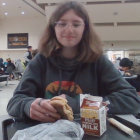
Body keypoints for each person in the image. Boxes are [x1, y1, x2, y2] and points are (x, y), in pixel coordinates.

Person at [7, 1, 140, 123]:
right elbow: (15, 102)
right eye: (62, 23)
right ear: (53, 28)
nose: (69, 29)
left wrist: (76, 104)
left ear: (85, 28)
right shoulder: (41, 61)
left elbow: (131, 100)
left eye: (76, 24)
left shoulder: (97, 61)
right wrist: (27, 106)